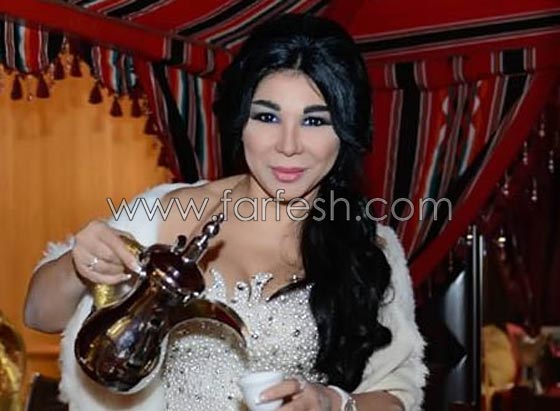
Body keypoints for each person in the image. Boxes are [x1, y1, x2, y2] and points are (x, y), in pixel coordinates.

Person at [24, 13, 427, 411]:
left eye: (314, 121)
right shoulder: (172, 212)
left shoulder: (367, 247)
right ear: (240, 121)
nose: (288, 145)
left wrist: (332, 402)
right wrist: (78, 267)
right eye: (267, 116)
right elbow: (38, 313)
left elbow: (397, 393)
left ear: (345, 131)